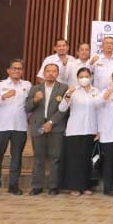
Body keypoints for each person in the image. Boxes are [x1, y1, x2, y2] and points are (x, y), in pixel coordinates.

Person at [25, 63, 68, 195]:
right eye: (48, 71)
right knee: (39, 158)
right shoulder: (35, 88)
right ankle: (37, 186)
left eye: (54, 71)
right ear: (44, 73)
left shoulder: (63, 88)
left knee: (55, 158)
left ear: (58, 73)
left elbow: (64, 109)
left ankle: (53, 186)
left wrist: (51, 122)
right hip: (38, 126)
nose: (51, 74)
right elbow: (27, 108)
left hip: (56, 128)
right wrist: (35, 100)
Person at [57, 67, 99, 196]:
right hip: (75, 130)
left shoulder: (96, 91)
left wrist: (99, 130)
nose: (84, 78)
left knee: (87, 159)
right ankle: (74, 186)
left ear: (91, 77)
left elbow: (100, 111)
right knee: (74, 160)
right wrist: (68, 95)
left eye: (86, 76)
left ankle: (85, 186)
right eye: (81, 76)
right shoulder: (72, 90)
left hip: (91, 129)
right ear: (77, 78)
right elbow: (62, 108)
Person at [0, 59, 31, 196]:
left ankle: (13, 185)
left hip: (20, 126)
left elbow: (30, 105)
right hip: (1, 126)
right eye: (14, 68)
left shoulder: (27, 85)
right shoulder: (0, 85)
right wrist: (4, 96)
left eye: (19, 68)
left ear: (22, 71)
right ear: (8, 70)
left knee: (17, 157)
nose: (17, 71)